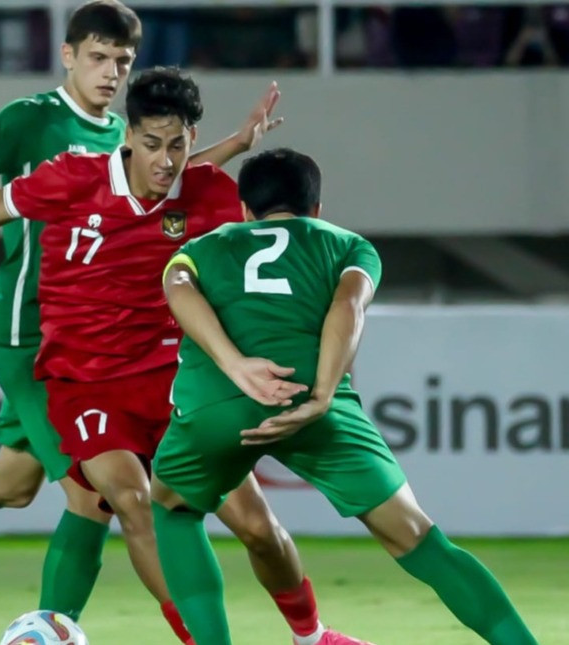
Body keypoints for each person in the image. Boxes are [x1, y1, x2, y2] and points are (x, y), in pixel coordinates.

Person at [0, 67, 367, 645]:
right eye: (150, 144)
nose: (164, 161)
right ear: (128, 138)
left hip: (175, 383)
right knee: (127, 499)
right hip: (84, 383)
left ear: (193, 139)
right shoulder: (71, 178)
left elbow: (286, 257)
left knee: (253, 524)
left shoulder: (215, 196)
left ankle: (312, 636)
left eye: (177, 145)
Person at [152, 148, 538, 645]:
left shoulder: (202, 248)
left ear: (244, 210)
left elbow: (178, 289)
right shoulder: (350, 247)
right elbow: (349, 305)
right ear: (316, 208)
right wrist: (321, 395)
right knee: (419, 537)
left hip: (218, 403)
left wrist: (235, 365)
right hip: (317, 403)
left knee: (172, 509)